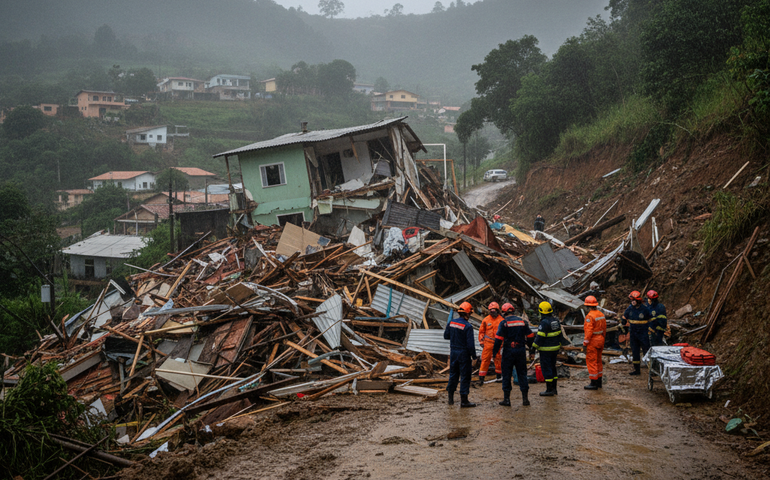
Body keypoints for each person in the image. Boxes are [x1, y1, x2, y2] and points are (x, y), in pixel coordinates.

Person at [493, 303, 535, 406]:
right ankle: (525, 399)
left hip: (508, 351)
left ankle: (507, 400)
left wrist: (494, 353)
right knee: (522, 374)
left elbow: (498, 340)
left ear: (503, 312)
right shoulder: (523, 322)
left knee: (506, 375)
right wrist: (531, 350)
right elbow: (530, 336)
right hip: (520, 351)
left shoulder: (504, 323)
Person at [444, 301, 478, 407]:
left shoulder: (451, 323)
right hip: (463, 354)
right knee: (465, 376)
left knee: (453, 375)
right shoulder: (468, 326)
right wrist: (474, 356)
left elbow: (446, 336)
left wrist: (455, 337)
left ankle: (450, 399)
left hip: (453, 352)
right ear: (468, 313)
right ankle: (464, 401)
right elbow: (470, 345)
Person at [532, 301, 562, 396]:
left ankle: (549, 390)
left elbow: (539, 337)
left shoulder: (544, 323)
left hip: (546, 350)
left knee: (546, 368)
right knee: (553, 367)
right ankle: (554, 389)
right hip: (555, 348)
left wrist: (533, 348)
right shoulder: (555, 321)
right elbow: (560, 334)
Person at [622, 290, 651, 375]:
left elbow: (651, 320)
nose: (632, 302)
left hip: (643, 333)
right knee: (635, 351)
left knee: (646, 351)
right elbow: (624, 317)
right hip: (633, 334)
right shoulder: (630, 308)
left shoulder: (645, 309)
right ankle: (637, 370)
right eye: (631, 300)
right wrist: (623, 321)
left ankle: (651, 370)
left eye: (634, 300)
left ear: (638, 300)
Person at [477, 301, 504, 386]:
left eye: (494, 310)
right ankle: (481, 379)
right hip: (488, 343)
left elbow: (505, 333)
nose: (492, 311)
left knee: (498, 359)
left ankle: (499, 377)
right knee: (485, 360)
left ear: (497, 310)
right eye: (491, 310)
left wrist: (504, 343)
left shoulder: (502, 320)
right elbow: (481, 332)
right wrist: (481, 341)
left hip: (498, 343)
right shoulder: (486, 320)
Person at [582, 296, 606, 390]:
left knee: (592, 361)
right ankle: (599, 382)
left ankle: (593, 383)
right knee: (598, 360)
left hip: (593, 340)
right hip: (601, 339)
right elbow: (604, 328)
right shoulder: (601, 314)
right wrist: (603, 338)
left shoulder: (589, 316)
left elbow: (588, 331)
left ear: (587, 306)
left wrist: (585, 343)